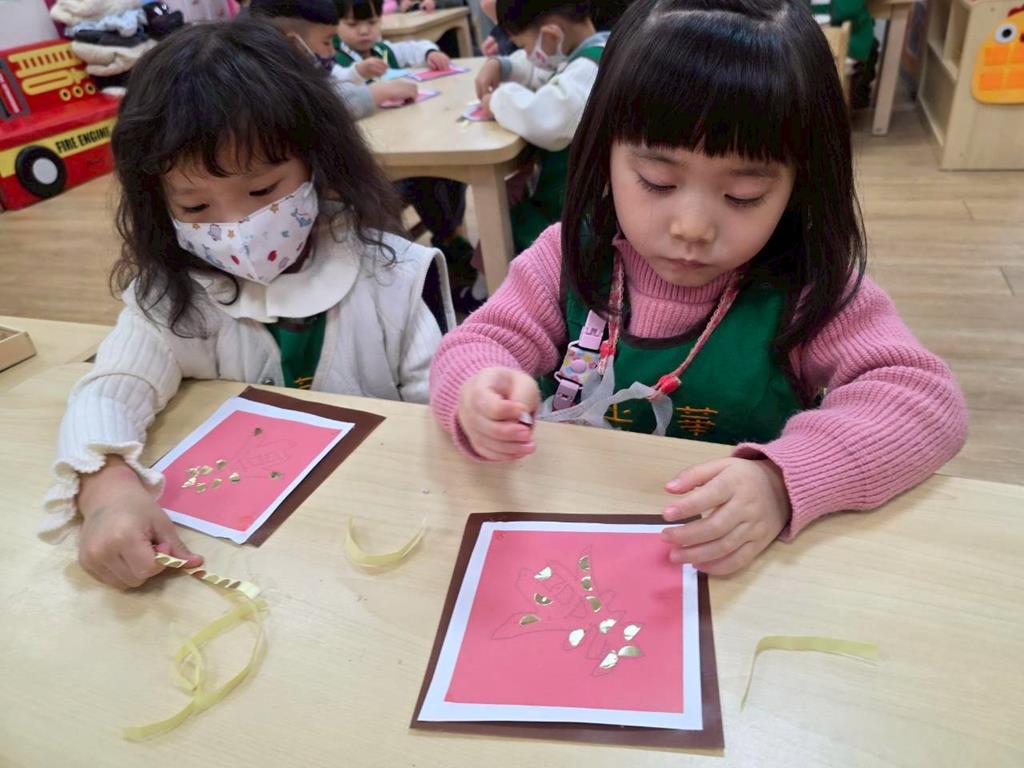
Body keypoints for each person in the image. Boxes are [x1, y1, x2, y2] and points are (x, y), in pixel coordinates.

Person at [430, 0, 967, 576]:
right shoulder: (568, 255)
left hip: (731, 573)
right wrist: (477, 391)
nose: (692, 227)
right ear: (605, 152)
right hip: (566, 547)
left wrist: (781, 480)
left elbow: (924, 402)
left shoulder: (809, 284)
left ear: (800, 183)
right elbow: (476, 344)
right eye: (657, 181)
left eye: (743, 196)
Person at [43, 21, 454, 589]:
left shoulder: (395, 276)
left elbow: (438, 417)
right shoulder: (174, 296)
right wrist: (106, 490)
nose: (235, 226)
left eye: (262, 191)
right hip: (239, 561)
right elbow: (110, 389)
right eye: (195, 207)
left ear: (317, 161)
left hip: (376, 547)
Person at [250, 0, 418, 115]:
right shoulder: (262, 82)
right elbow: (321, 109)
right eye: (326, 42)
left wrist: (357, 73)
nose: (332, 51)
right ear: (295, 43)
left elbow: (333, 82)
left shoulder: (300, 67)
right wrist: (379, 92)